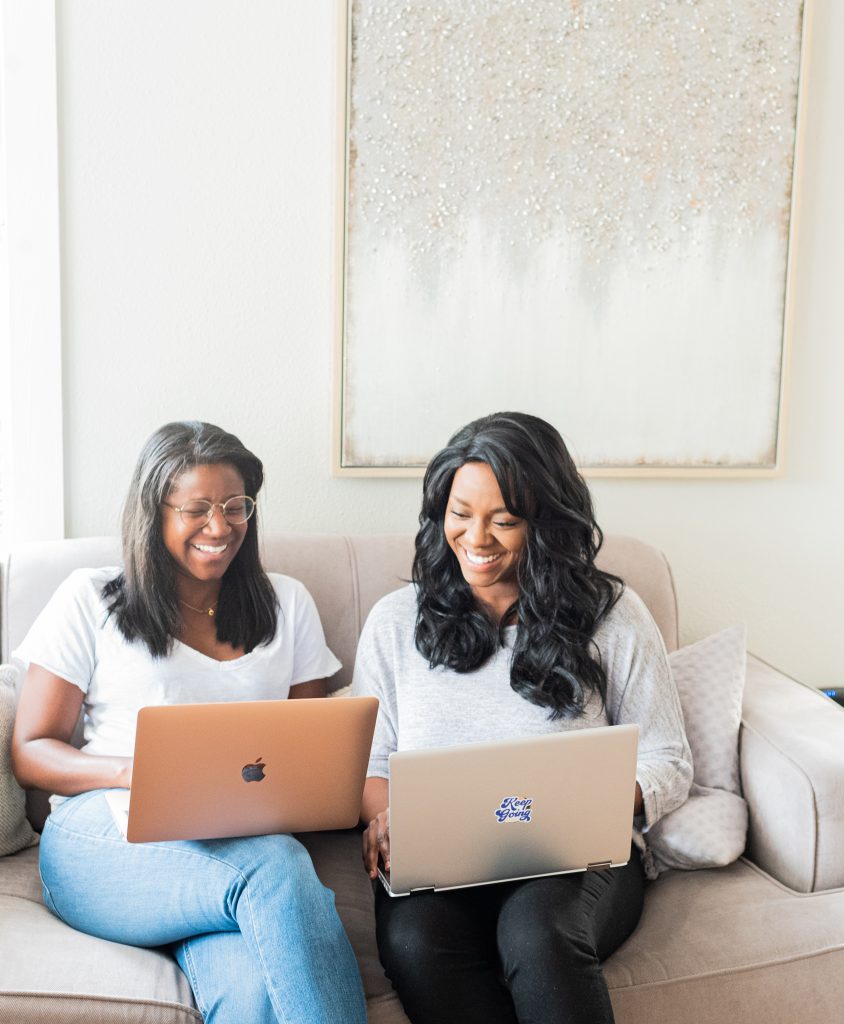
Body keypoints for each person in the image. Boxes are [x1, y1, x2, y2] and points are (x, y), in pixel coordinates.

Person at [11, 421, 367, 1024]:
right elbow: (31, 750)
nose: (220, 527)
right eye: (197, 509)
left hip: (227, 849)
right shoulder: (90, 598)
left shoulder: (287, 604)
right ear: (154, 512)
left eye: (235, 507)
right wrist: (136, 772)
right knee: (276, 864)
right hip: (105, 838)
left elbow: (316, 750)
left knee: (251, 996)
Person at [353, 411, 693, 1024]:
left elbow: (668, 759)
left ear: (547, 522)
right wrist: (382, 819)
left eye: (503, 520)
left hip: (575, 863)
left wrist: (588, 807)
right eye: (461, 514)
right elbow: (373, 761)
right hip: (440, 866)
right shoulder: (393, 622)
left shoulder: (612, 616)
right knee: (414, 942)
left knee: (537, 932)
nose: (476, 538)